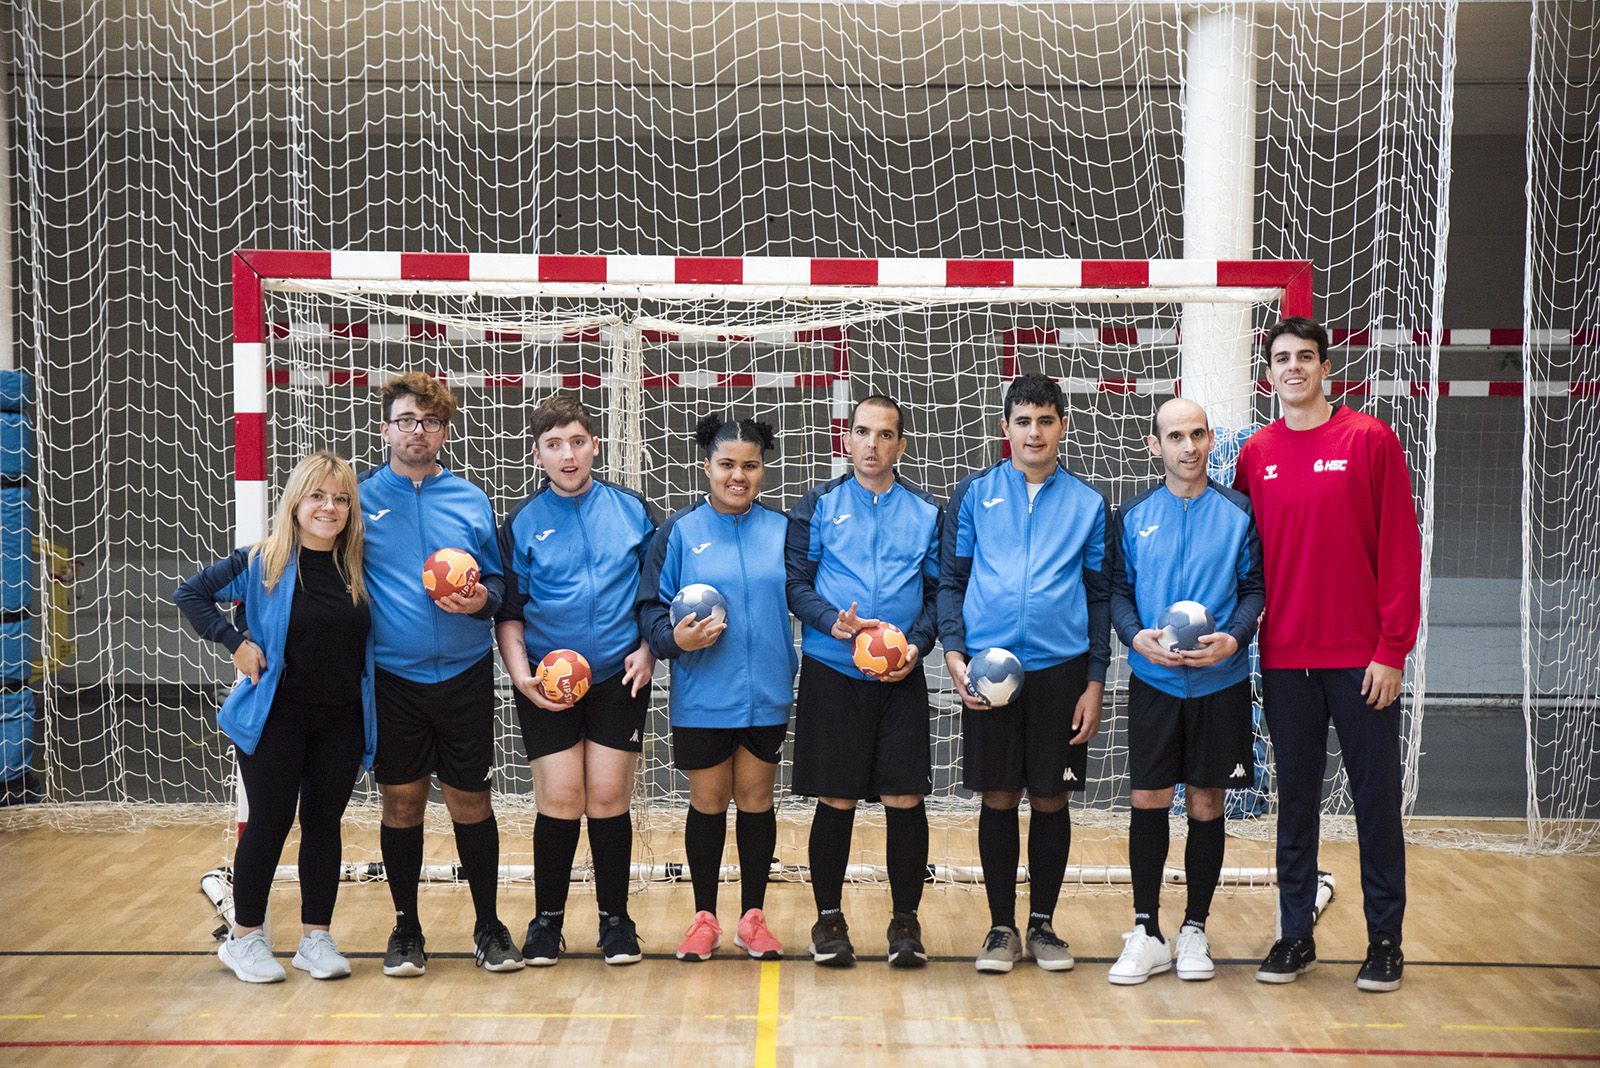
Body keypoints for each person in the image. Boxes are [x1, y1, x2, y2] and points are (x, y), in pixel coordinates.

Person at [1233, 317, 1422, 992]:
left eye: (1305, 357)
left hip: (1362, 662)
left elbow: (1400, 549)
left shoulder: (1369, 439)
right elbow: (1244, 561)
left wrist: (1392, 648)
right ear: (1269, 373)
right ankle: (1293, 937)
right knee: (1297, 805)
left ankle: (1385, 942)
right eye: (1281, 358)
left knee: (1375, 802)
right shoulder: (1256, 454)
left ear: (1324, 367)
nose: (1293, 368)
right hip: (1285, 662)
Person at [175, 451, 376, 983]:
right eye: (317, 496)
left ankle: (316, 937)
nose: (328, 507)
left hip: (342, 720)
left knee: (323, 825)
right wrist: (234, 641)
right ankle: (244, 938)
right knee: (269, 820)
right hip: (275, 717)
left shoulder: (358, 564)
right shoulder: (261, 560)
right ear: (295, 502)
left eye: (340, 499)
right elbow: (190, 593)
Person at [938, 373, 1111, 975]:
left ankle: (1043, 925)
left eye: (1045, 419)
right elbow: (951, 582)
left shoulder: (1089, 504)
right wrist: (956, 654)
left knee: (1050, 795)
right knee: (998, 794)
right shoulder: (973, 495)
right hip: (990, 671)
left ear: (1063, 425)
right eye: (1022, 420)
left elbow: (1098, 597)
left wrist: (1094, 680)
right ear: (1005, 427)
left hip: (1061, 672)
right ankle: (1000, 927)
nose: (1033, 431)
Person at [359, 372, 523, 976]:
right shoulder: (358, 498)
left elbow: (502, 585)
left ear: (445, 432)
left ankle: (488, 925)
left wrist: (482, 602)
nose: (417, 432)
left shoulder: (470, 500)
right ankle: (406, 928)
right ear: (386, 429)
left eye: (429, 422)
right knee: (401, 802)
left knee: (470, 800)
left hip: (463, 674)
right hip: (393, 679)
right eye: (406, 421)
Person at [1105, 398, 1265, 985]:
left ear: (1210, 438)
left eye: (1197, 434)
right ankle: (1146, 930)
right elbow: (1118, 592)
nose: (1188, 446)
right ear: (1156, 446)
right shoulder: (1133, 514)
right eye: (1175, 436)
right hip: (1154, 683)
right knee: (1147, 800)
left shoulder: (1239, 512)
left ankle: (1195, 927)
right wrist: (1134, 637)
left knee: (1205, 802)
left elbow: (1254, 589)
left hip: (1220, 684)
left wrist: (1236, 636)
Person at [495, 395, 657, 967]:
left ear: (595, 445)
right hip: (547, 682)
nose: (568, 455)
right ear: (537, 453)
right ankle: (548, 922)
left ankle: (616, 920)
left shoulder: (633, 509)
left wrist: (648, 654)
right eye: (553, 444)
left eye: (577, 442)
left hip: (619, 674)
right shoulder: (520, 523)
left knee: (609, 797)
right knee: (561, 798)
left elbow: (653, 599)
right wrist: (522, 677)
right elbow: (508, 611)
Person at [786, 395, 941, 969]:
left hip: (901, 676)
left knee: (905, 796)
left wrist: (917, 645)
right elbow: (795, 582)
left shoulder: (927, 511)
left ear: (902, 445)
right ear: (846, 440)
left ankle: (905, 921)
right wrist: (833, 622)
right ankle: (828, 919)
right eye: (862, 432)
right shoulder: (820, 504)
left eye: (885, 435)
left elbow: (937, 595)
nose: (872, 445)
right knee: (837, 797)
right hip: (834, 670)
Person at [638, 414, 797, 963]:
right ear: (706, 467)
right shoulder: (679, 532)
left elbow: (807, 596)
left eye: (749, 466)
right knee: (708, 802)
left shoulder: (783, 531)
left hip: (768, 693)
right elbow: (651, 613)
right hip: (704, 696)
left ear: (762, 470)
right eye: (727, 464)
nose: (738, 476)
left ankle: (752, 918)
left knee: (756, 801)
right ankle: (704, 917)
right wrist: (674, 640)